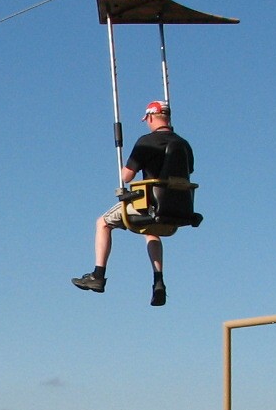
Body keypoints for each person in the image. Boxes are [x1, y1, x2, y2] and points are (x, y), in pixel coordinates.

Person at [71, 100, 193, 306]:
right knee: (150, 230)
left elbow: (126, 176)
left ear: (151, 117)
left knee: (102, 222)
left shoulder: (146, 142)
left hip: (149, 206)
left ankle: (98, 275)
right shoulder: (184, 145)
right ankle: (158, 281)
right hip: (177, 209)